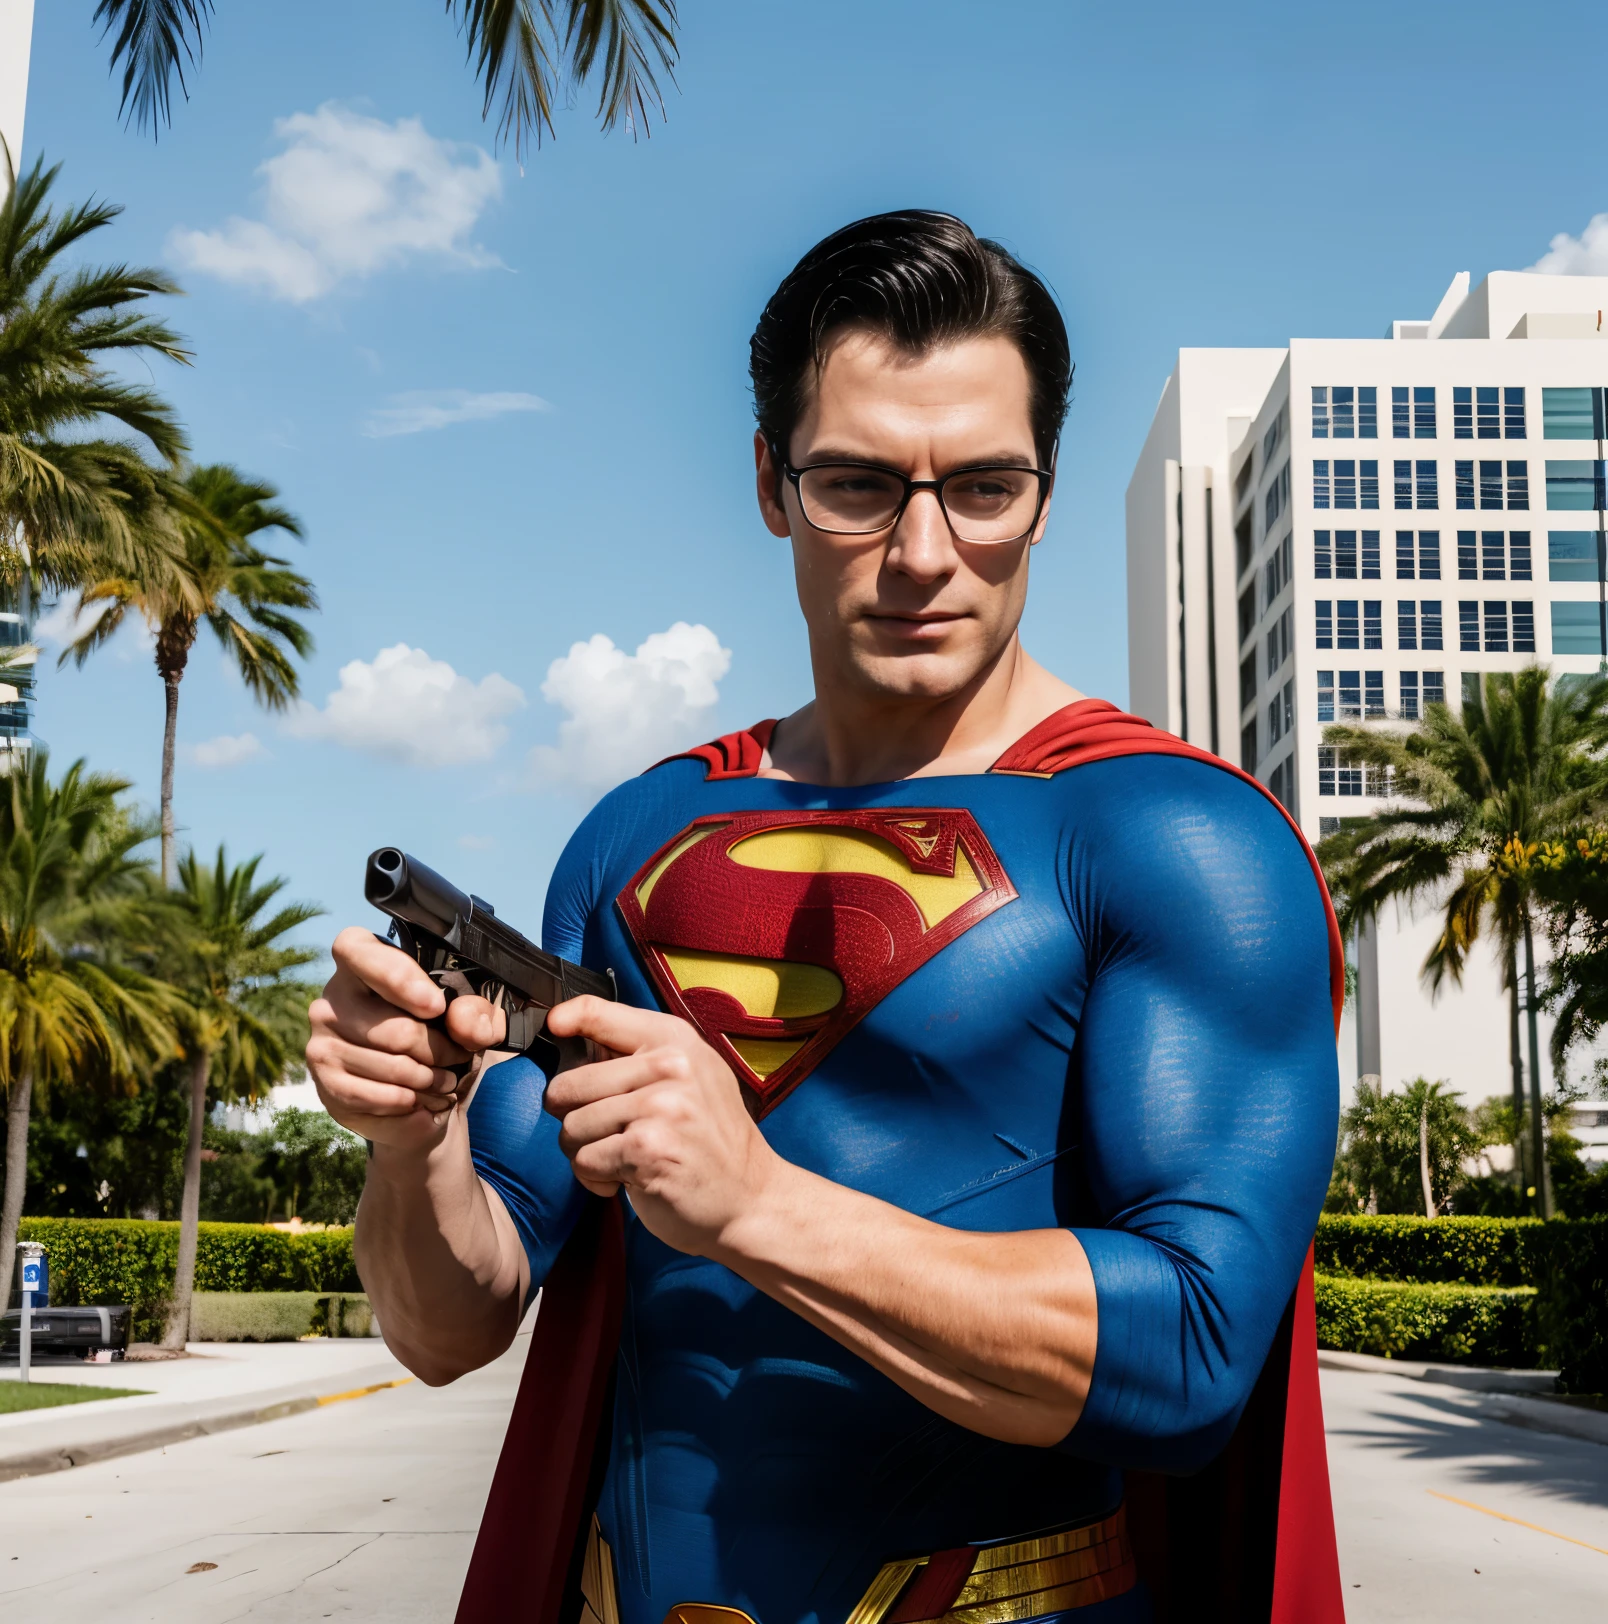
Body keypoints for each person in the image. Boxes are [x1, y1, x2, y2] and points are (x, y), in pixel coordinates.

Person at [306, 211, 1343, 1624]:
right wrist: (410, 1141)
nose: (924, 553)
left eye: (984, 487)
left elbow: (1195, 1348)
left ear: (1045, 494)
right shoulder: (633, 839)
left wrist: (757, 1207)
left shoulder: (1177, 842)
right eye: (858, 483)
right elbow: (450, 1321)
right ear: (769, 483)